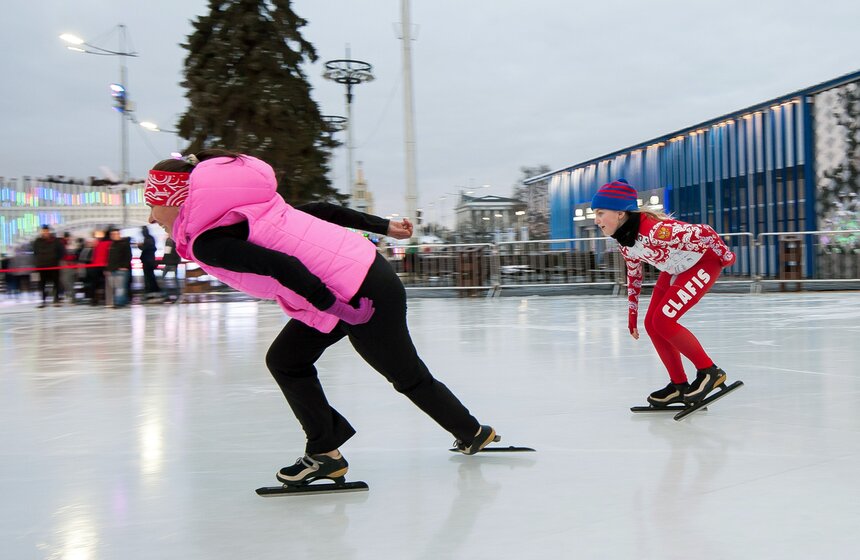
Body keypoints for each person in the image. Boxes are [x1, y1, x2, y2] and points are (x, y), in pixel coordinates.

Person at [145, 150, 496, 486]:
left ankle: (471, 432)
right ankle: (325, 449)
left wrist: (336, 306)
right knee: (286, 360)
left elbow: (282, 266)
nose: (150, 217)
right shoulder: (242, 214)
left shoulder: (209, 240)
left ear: (175, 200)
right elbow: (318, 210)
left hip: (361, 292)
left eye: (152, 205)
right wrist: (383, 226)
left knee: (405, 375)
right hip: (355, 279)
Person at [591, 179, 736, 408]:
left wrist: (726, 256)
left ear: (620, 213)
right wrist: (632, 316)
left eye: (600, 212)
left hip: (703, 263)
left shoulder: (656, 231)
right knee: (652, 323)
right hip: (675, 269)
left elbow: (705, 233)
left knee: (664, 320)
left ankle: (709, 371)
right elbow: (634, 275)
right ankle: (679, 385)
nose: (596, 220)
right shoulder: (625, 241)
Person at [32, 225, 64, 308]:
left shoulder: (56, 241)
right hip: (42, 266)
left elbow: (62, 251)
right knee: (42, 284)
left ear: (49, 231)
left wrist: (55, 258)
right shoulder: (37, 241)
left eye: (46, 231)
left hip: (53, 265)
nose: (45, 233)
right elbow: (35, 252)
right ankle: (43, 301)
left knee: (55, 283)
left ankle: (56, 299)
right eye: (44, 231)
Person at [138, 226, 161, 301]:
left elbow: (146, 248)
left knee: (149, 278)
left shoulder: (148, 239)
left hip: (148, 262)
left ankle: (150, 293)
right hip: (150, 261)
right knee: (150, 277)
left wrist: (140, 246)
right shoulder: (150, 238)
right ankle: (152, 292)